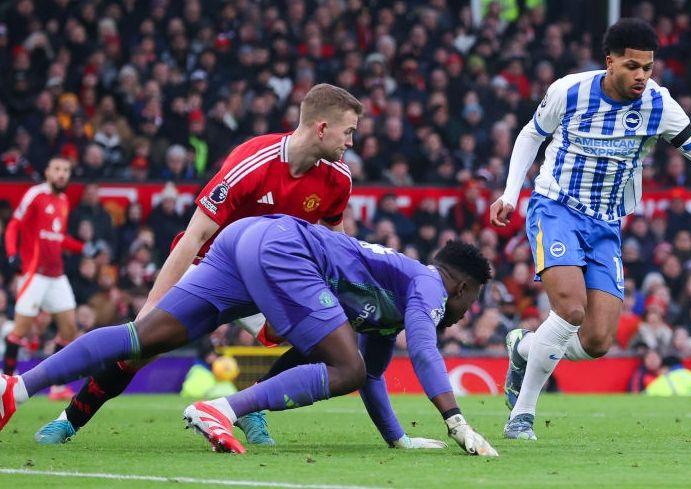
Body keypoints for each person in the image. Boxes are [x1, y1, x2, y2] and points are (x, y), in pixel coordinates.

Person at [489, 18, 691, 440]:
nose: (641, 76)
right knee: (570, 308)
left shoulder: (659, 105)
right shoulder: (569, 90)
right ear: (610, 62)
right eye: (632, 67)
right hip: (556, 207)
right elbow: (531, 135)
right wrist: (511, 193)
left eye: (648, 68)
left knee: (598, 340)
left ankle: (524, 348)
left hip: (605, 223)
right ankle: (522, 416)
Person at [1, 215, 498, 457]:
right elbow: (426, 348)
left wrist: (398, 438)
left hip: (244, 240)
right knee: (341, 365)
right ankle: (225, 409)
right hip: (284, 248)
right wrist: (455, 420)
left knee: (141, 337)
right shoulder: (430, 283)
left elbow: (372, 374)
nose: (459, 316)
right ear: (462, 286)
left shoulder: (399, 295)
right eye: (468, 303)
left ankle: (15, 387)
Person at [34, 84, 361, 446]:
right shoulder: (253, 161)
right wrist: (152, 307)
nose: (351, 141)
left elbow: (335, 241)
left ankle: (245, 404)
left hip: (267, 279)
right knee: (142, 347)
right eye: (348, 131)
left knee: (322, 341)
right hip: (212, 268)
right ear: (320, 128)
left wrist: (343, 295)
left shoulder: (338, 178)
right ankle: (68, 419)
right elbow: (194, 236)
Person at [3, 158, 83, 400]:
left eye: (66, 170)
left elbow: (58, 238)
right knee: (20, 330)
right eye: (57, 169)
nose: (62, 174)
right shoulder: (35, 195)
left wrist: (83, 247)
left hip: (56, 275)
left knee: (69, 329)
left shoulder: (63, 201)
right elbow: (13, 225)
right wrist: (11, 253)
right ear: (48, 171)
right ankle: (6, 382)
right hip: (34, 274)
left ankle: (57, 387)